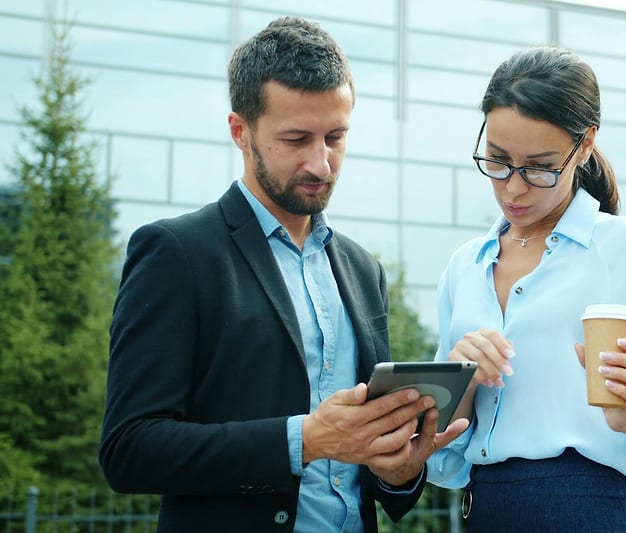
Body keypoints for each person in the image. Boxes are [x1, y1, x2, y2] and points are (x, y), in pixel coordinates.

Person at [98, 16, 467, 533]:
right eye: (296, 139)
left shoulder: (363, 270)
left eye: (335, 137)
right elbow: (128, 449)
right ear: (240, 131)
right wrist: (305, 440)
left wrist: (399, 472)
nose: (321, 164)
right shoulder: (176, 254)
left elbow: (371, 470)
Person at [425, 46, 626, 532]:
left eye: (539, 167)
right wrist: (458, 381)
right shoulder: (465, 266)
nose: (513, 188)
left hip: (592, 513)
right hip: (485, 512)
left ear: (585, 145)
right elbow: (442, 453)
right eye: (498, 161)